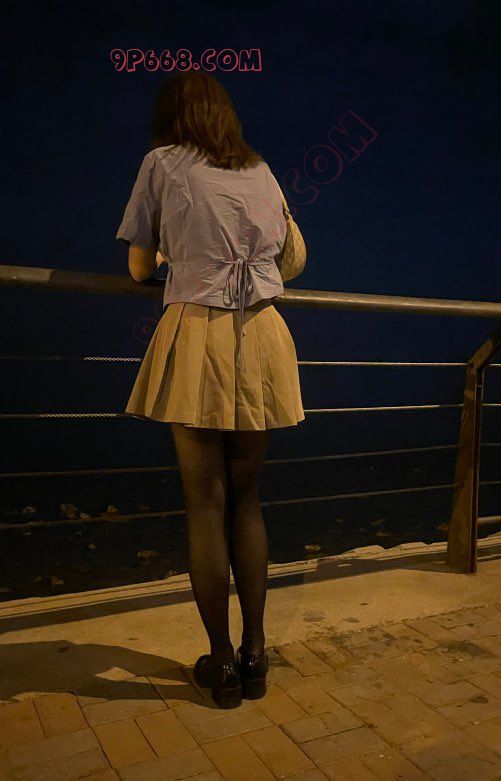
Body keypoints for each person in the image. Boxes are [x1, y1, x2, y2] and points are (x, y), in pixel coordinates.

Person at [115, 70, 306, 709]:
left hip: (199, 332)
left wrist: (176, 258)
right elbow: (288, 255)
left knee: (204, 505)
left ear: (171, 115)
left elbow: (138, 267)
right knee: (247, 501)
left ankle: (220, 664)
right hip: (263, 335)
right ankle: (256, 656)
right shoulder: (260, 169)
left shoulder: (162, 164)